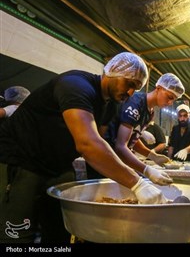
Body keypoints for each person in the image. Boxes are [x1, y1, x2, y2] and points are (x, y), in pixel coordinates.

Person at [0, 52, 168, 243]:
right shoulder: (76, 86)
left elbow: (102, 145)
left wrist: (145, 170)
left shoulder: (110, 106)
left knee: (61, 230)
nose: (131, 92)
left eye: (136, 88)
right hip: (22, 159)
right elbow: (87, 144)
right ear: (113, 71)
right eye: (129, 83)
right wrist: (137, 183)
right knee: (17, 233)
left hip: (57, 165)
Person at [101, 73, 185, 185]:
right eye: (169, 97)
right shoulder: (136, 103)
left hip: (118, 159)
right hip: (106, 157)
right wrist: (146, 170)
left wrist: (152, 155)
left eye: (173, 100)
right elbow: (121, 146)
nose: (170, 103)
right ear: (159, 88)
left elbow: (132, 139)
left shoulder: (150, 112)